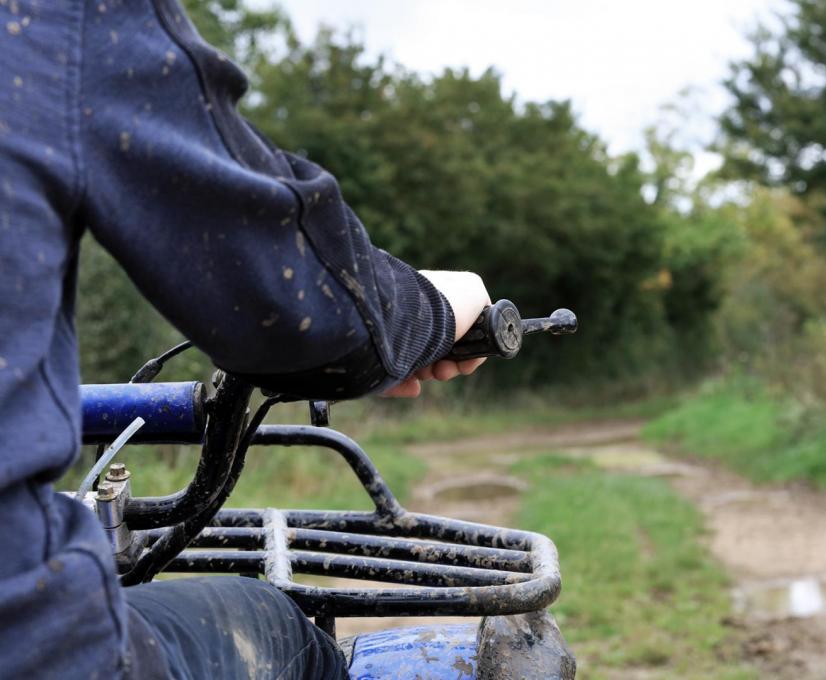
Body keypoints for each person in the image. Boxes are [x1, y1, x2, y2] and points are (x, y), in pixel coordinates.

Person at [0, 1, 490, 677]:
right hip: (29, 646)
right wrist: (438, 309)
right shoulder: (60, 20)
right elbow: (304, 314)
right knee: (278, 627)